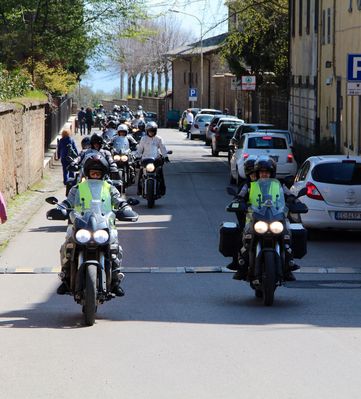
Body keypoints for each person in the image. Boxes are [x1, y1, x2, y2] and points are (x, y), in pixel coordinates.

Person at [57, 155, 137, 296]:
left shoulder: (110, 188)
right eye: (93, 173)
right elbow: (68, 202)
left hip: (104, 225)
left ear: (103, 174)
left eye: (98, 173)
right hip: (80, 224)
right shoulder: (77, 188)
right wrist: (61, 208)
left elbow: (119, 200)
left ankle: (116, 279)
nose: (95, 175)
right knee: (66, 245)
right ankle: (66, 276)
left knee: (116, 248)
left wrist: (125, 207)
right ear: (87, 173)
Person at [234, 156, 299, 281]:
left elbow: (288, 194)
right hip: (254, 218)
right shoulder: (250, 185)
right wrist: (238, 200)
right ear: (258, 173)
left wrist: (294, 200)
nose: (264, 174)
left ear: (271, 173)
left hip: (276, 217)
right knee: (245, 241)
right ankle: (242, 267)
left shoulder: (278, 185)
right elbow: (241, 194)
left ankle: (288, 266)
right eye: (262, 172)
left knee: (288, 237)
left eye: (267, 172)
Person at [226, 156, 258, 272]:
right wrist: (238, 201)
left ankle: (289, 263)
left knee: (286, 233)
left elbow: (282, 193)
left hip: (270, 217)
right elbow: (239, 196)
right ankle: (237, 262)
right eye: (251, 173)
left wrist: (291, 198)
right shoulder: (246, 185)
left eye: (255, 173)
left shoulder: (270, 185)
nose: (253, 175)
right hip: (251, 219)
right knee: (239, 237)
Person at [134, 121, 169, 196]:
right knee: (141, 173)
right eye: (150, 131)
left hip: (156, 159)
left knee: (160, 172)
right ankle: (139, 190)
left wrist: (165, 156)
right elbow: (140, 149)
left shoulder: (158, 139)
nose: (151, 133)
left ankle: (162, 189)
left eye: (153, 131)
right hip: (145, 159)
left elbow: (163, 148)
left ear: (155, 131)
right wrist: (137, 157)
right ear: (147, 131)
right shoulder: (143, 139)